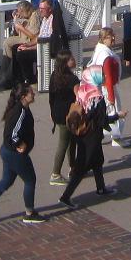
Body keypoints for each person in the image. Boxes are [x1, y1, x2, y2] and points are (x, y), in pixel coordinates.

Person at [0, 84, 48, 226]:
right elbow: (12, 134)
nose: (34, 94)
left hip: (7, 151)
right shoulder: (20, 112)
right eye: (31, 93)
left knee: (6, 181)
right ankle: (29, 213)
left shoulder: (21, 108)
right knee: (30, 180)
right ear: (23, 97)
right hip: (15, 154)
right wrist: (20, 144)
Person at [57, 72, 115, 208]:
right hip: (92, 135)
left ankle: (101, 188)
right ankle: (65, 196)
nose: (104, 78)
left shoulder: (83, 90)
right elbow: (102, 120)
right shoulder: (98, 97)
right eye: (102, 76)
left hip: (81, 132)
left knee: (97, 160)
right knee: (82, 166)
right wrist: (117, 116)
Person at [47, 48, 80, 186]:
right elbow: (79, 98)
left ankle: (73, 167)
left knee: (70, 140)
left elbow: (51, 97)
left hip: (57, 112)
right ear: (66, 63)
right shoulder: (73, 79)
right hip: (69, 114)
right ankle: (55, 173)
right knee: (65, 142)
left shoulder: (54, 75)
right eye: (72, 59)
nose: (74, 60)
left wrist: (51, 112)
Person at [89, 28, 126, 148]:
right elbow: (108, 77)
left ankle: (99, 136)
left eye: (113, 35)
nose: (114, 38)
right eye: (111, 36)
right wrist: (111, 96)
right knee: (113, 111)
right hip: (107, 88)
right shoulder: (106, 56)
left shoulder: (100, 49)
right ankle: (116, 138)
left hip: (101, 88)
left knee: (102, 112)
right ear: (104, 39)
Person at [2, 1, 40, 87]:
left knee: (12, 46)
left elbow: (33, 36)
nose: (19, 14)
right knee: (7, 43)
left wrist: (21, 27)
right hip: (23, 38)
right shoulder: (26, 17)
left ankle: (9, 76)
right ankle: (7, 74)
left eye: (20, 11)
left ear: (25, 10)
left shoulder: (34, 16)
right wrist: (16, 22)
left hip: (29, 41)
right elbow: (16, 33)